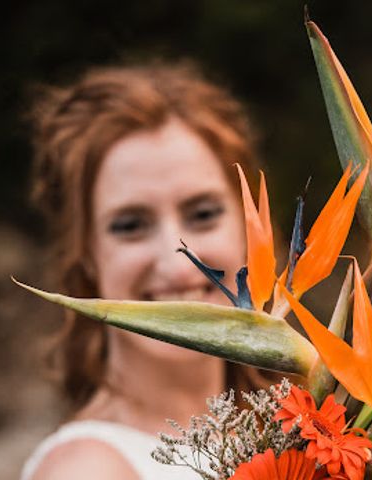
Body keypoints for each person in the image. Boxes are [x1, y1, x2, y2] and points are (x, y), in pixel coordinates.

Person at [21, 62, 271, 480]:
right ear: (85, 254)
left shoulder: (299, 428)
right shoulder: (87, 470)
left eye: (203, 214)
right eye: (130, 225)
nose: (177, 263)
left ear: (251, 227)